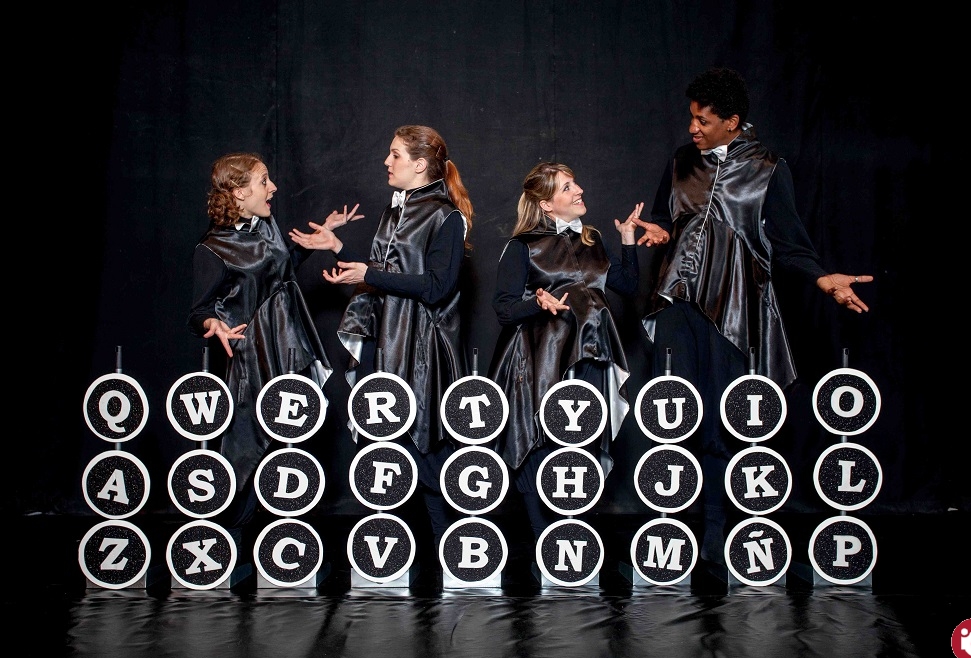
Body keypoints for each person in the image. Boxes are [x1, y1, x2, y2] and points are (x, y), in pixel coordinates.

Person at [631, 67, 874, 564]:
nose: (693, 128)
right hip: (677, 301)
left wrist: (822, 278)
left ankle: (716, 534)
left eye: (703, 120)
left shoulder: (768, 167)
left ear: (732, 121)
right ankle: (670, 538)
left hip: (733, 309)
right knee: (671, 415)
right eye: (691, 118)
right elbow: (663, 217)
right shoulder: (681, 161)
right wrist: (656, 231)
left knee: (721, 421)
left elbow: (788, 242)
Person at [289, 125, 473, 549]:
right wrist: (339, 250)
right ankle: (390, 552)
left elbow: (437, 288)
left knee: (425, 445)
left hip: (422, 348)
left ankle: (453, 551)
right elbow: (388, 272)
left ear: (420, 165)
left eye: (395, 155)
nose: (386, 162)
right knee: (385, 450)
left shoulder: (446, 216)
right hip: (385, 341)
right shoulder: (395, 211)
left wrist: (369, 274)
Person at [188, 151, 363, 536]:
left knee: (293, 453)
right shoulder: (212, 248)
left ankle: (286, 544)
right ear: (239, 192)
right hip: (252, 360)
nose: (274, 187)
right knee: (248, 450)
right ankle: (225, 541)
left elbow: (277, 269)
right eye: (264, 181)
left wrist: (320, 237)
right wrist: (212, 322)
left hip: (290, 351)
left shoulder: (266, 226)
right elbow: (198, 310)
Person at [488, 162, 642, 542]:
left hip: (591, 357)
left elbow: (627, 285)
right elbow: (504, 309)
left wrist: (627, 240)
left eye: (575, 183)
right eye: (567, 187)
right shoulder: (522, 247)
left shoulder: (592, 241)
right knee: (536, 442)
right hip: (540, 360)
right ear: (546, 204)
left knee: (581, 445)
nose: (579, 190)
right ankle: (544, 539)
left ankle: (572, 541)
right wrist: (537, 303)